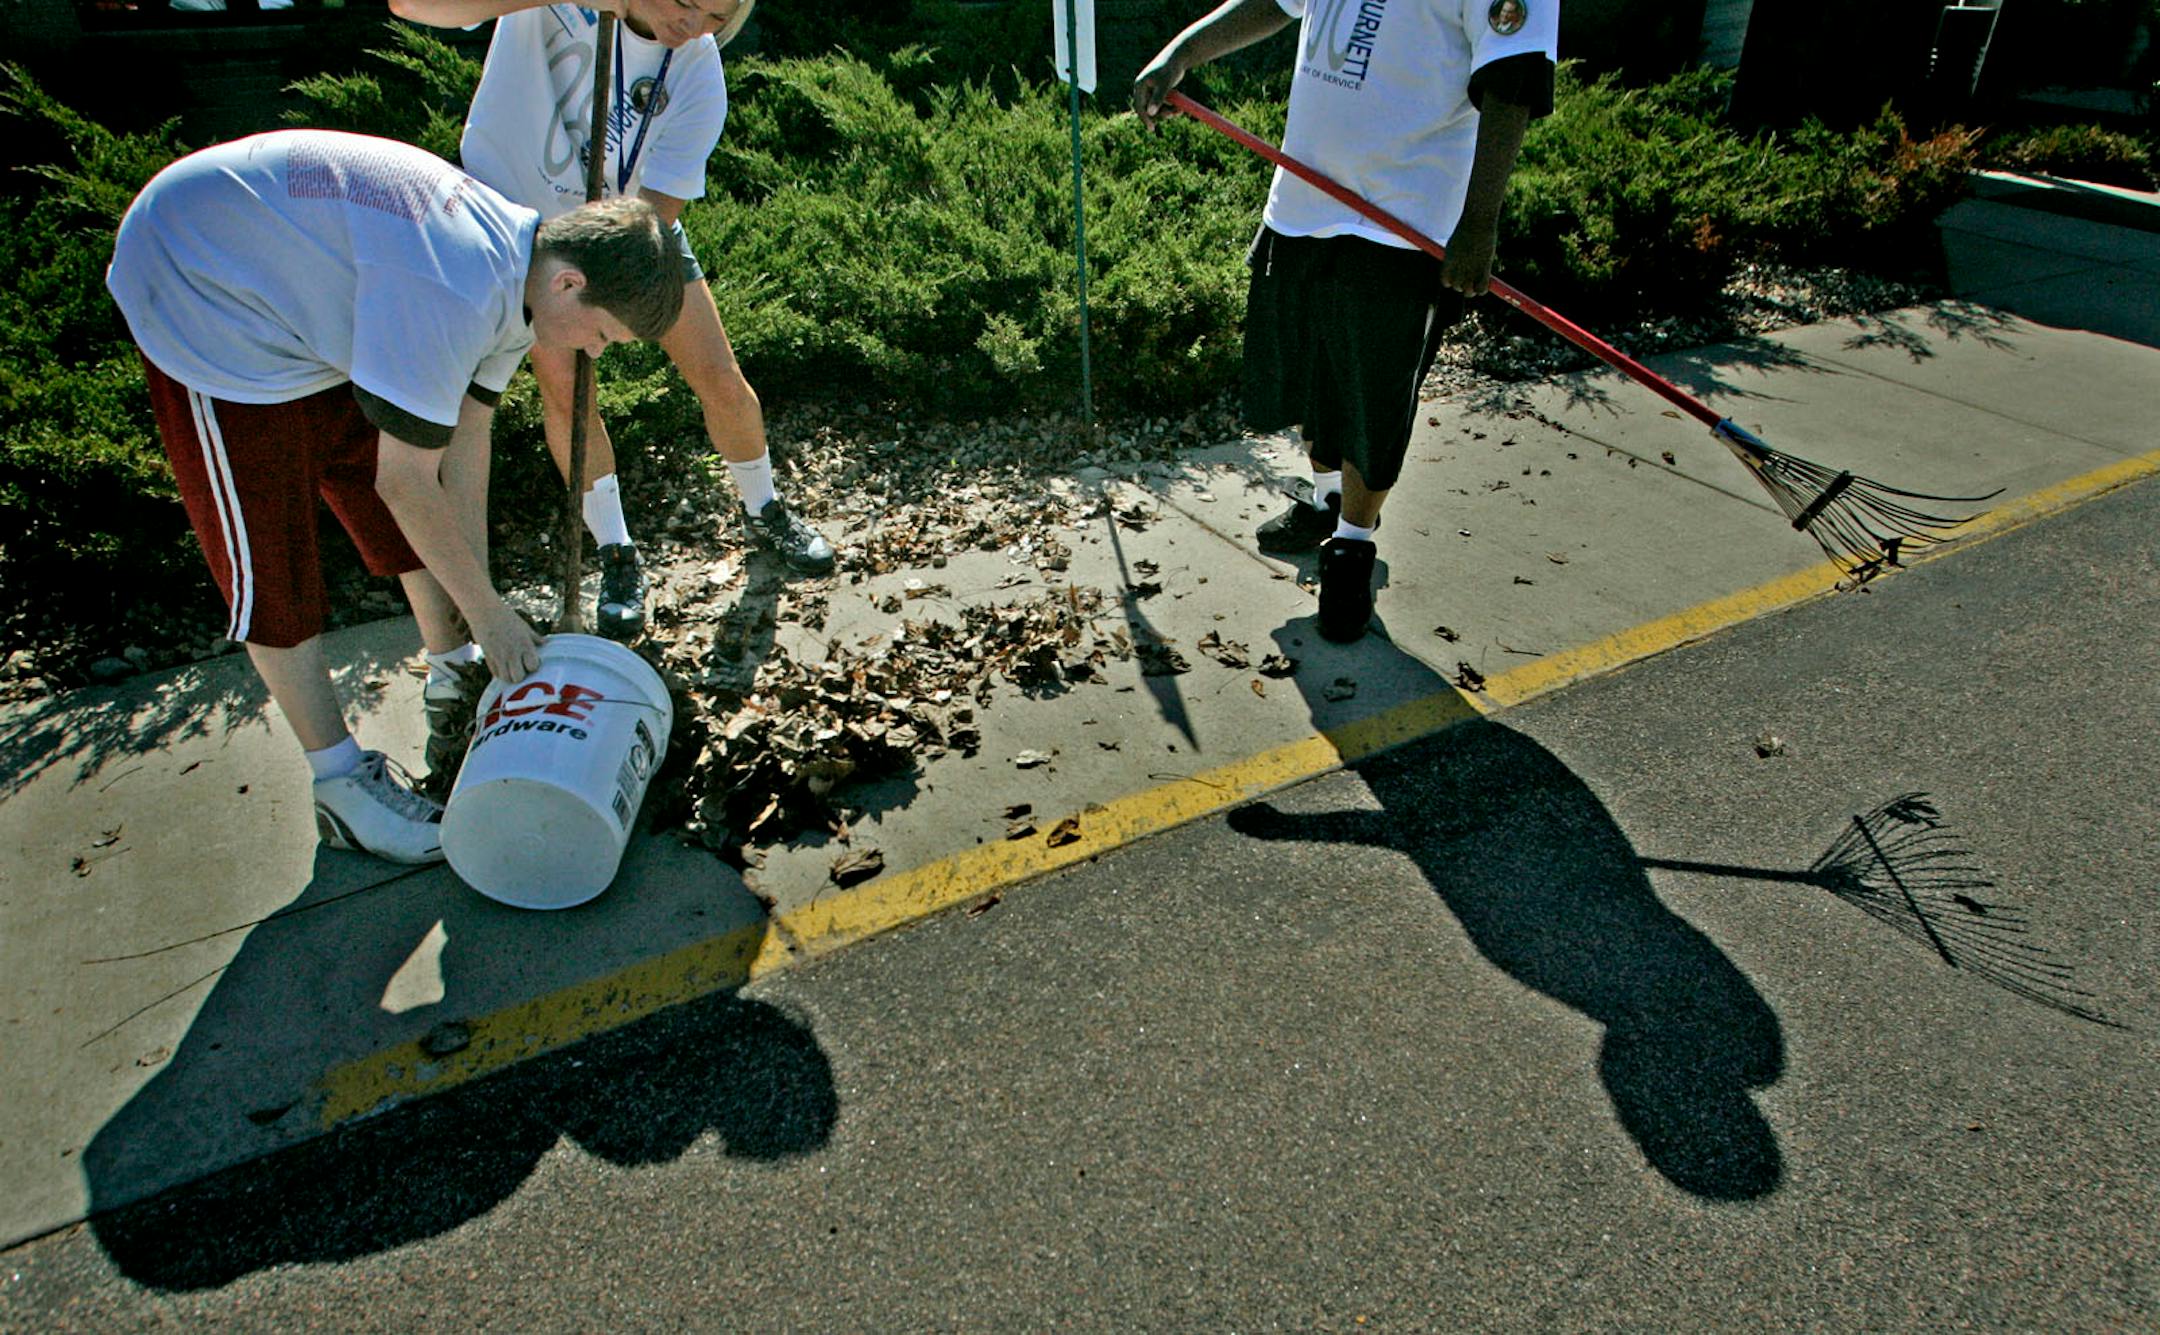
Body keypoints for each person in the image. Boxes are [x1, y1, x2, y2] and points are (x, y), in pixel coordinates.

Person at [107, 128, 683, 863]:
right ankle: (340, 785)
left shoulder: (521, 275)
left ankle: (448, 672)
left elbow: (463, 451)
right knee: (271, 554)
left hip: (292, 291)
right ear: (571, 282)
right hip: (202, 285)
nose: (595, 353)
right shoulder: (457, 288)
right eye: (602, 334)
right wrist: (488, 612)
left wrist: (479, 627)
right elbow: (406, 481)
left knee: (371, 463)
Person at [389, 0, 836, 652]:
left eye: (716, 16)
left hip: (631, 236)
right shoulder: (549, 9)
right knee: (567, 392)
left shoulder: (697, 73)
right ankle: (618, 553)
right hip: (526, 237)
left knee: (716, 371)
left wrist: (608, 279)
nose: (695, 27)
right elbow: (414, 4)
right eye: (686, 3)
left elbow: (652, 218)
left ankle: (765, 507)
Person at [1134, 0, 1558, 642]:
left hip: (1402, 220)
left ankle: (1353, 547)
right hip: (1302, 204)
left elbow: (1514, 83)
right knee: (1306, 369)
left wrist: (1479, 224)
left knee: (1373, 397)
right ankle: (1327, 498)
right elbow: (1270, 4)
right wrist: (1181, 54)